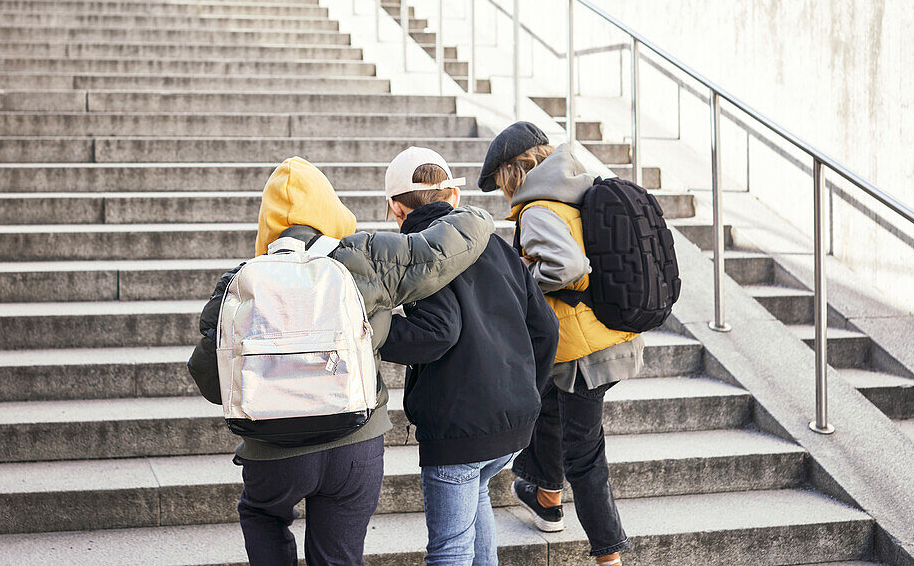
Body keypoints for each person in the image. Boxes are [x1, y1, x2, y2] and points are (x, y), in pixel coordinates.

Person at [188, 156, 495, 566]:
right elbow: (437, 252)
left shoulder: (240, 281)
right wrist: (474, 213)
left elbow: (210, 380)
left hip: (274, 452)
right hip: (355, 443)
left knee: (261, 515)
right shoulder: (362, 257)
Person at [378, 147, 558, 566]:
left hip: (459, 428)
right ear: (452, 197)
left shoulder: (420, 251)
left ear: (395, 208)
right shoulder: (494, 244)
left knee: (450, 550)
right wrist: (527, 391)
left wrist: (372, 328)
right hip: (513, 420)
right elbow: (547, 329)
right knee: (476, 503)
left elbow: (436, 333)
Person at [478, 123, 644, 566]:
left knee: (585, 457)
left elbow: (570, 267)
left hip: (583, 353)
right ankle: (546, 495)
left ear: (514, 172)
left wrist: (522, 281)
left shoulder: (537, 209)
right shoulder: (578, 189)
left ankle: (609, 555)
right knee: (544, 404)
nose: (503, 193)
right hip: (606, 336)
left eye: (500, 183)